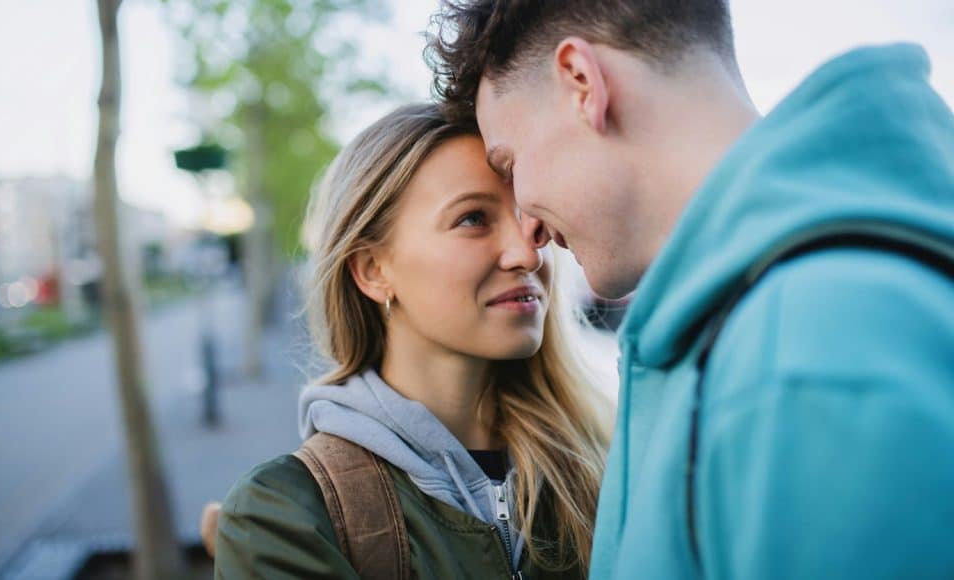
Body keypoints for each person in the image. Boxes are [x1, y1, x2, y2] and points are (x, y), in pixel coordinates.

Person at [426, 1, 954, 578]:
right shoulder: (737, 332)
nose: (527, 229)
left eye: (510, 162)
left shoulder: (809, 358)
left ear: (582, 82)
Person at [212, 103, 612, 579]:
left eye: (530, 218)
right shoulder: (283, 518)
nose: (526, 252)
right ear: (373, 271)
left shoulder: (603, 460)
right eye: (473, 219)